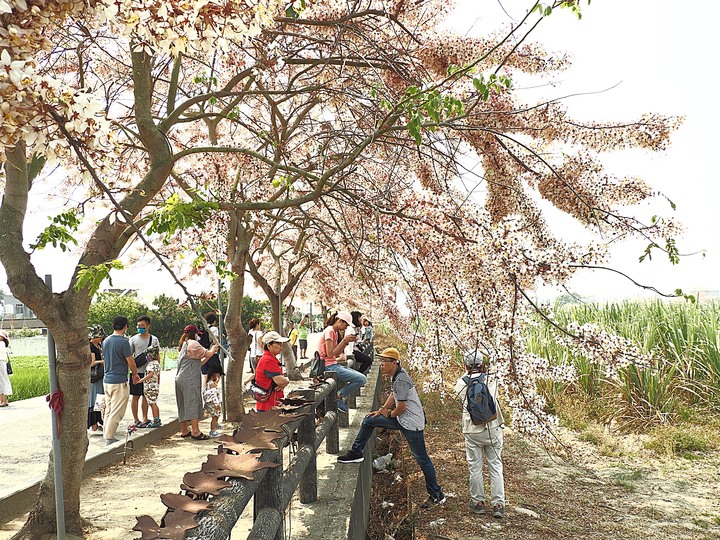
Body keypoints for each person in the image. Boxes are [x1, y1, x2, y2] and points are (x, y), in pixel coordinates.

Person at [337, 347, 445, 508]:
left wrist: (388, 415)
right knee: (369, 420)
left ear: (394, 363)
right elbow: (393, 395)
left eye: (384, 362)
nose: (381, 365)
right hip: (404, 420)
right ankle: (356, 453)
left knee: (422, 459)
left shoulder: (400, 379)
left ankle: (437, 495)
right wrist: (381, 411)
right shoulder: (398, 375)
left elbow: (400, 408)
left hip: (411, 423)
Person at [454, 350, 505, 519]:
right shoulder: (492, 379)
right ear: (483, 364)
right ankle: (498, 505)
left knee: (475, 467)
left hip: (472, 430)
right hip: (492, 428)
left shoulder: (461, 383)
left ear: (466, 365)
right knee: (495, 466)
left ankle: (478, 502)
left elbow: (461, 398)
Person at [175, 324, 218, 440]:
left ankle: (184, 430)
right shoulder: (193, 344)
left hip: (180, 378)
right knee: (193, 402)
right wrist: (214, 348)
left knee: (183, 404)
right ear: (194, 334)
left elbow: (199, 363)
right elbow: (208, 353)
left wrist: (210, 354)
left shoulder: (184, 344)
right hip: (189, 379)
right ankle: (195, 431)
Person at [318, 311, 366, 413]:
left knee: (361, 378)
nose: (346, 327)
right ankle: (338, 396)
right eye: (346, 324)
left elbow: (335, 354)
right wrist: (344, 341)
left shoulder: (334, 332)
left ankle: (338, 396)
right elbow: (330, 354)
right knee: (361, 379)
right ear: (339, 321)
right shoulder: (330, 331)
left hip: (333, 364)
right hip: (329, 366)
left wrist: (346, 342)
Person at [103, 316, 141, 446]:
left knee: (109, 409)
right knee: (117, 411)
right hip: (119, 380)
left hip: (107, 380)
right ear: (125, 327)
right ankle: (109, 437)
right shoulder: (124, 342)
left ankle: (106, 434)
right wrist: (135, 374)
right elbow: (131, 362)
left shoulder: (106, 341)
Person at [129, 315, 159, 428]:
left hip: (149, 372)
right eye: (138, 326)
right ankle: (136, 419)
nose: (140, 327)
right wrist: (133, 370)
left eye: (142, 326)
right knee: (135, 396)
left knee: (146, 396)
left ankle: (145, 418)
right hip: (136, 372)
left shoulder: (154, 339)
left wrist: (158, 372)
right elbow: (129, 356)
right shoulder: (133, 339)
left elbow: (157, 356)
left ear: (148, 326)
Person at [253, 330, 290, 412]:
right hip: (268, 406)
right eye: (278, 343)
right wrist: (286, 381)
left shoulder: (270, 358)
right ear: (269, 346)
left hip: (270, 404)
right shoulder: (268, 360)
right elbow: (281, 381)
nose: (281, 346)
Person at [139, 345, 163, 428]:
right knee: (154, 403)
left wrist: (141, 380)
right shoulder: (157, 364)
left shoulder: (150, 365)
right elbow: (158, 376)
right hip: (155, 386)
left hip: (150, 387)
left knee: (152, 403)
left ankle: (156, 420)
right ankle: (157, 418)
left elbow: (150, 374)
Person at [88, 325, 105, 432]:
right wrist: (102, 361)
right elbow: (91, 363)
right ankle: (93, 424)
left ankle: (98, 422)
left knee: (100, 399)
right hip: (94, 377)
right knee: (94, 400)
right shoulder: (91, 346)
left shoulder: (98, 345)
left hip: (100, 377)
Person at [199, 311, 223, 387]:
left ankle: (205, 392)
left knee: (205, 375)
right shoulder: (214, 329)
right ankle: (212, 391)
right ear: (214, 321)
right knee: (217, 374)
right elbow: (214, 342)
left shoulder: (203, 329)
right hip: (212, 354)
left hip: (203, 354)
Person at [203, 366, 223, 437]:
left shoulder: (209, 383)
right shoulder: (212, 384)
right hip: (213, 403)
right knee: (215, 416)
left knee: (215, 416)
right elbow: (213, 395)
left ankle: (214, 426)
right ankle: (212, 430)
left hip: (210, 402)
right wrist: (217, 404)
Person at [0, 330, 12, 407]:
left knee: (2, 381)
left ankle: (3, 400)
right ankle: (3, 400)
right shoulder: (3, 344)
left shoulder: (1, 344)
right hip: (2, 362)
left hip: (1, 362)